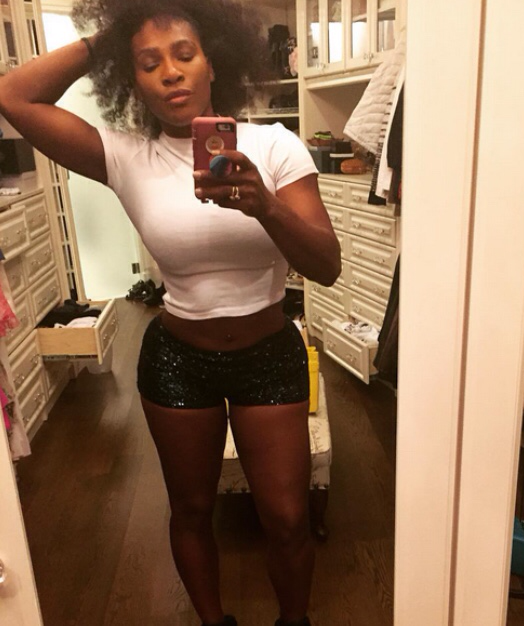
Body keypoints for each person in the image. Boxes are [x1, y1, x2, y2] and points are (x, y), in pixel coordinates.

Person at [0, 1, 341, 625]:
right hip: (179, 362)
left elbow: (326, 265)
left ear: (214, 61)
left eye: (184, 54)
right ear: (131, 81)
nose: (170, 72)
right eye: (148, 62)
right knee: (190, 509)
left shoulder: (275, 145)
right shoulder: (125, 157)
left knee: (289, 518)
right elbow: (14, 97)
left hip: (270, 355)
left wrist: (265, 205)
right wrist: (115, 34)